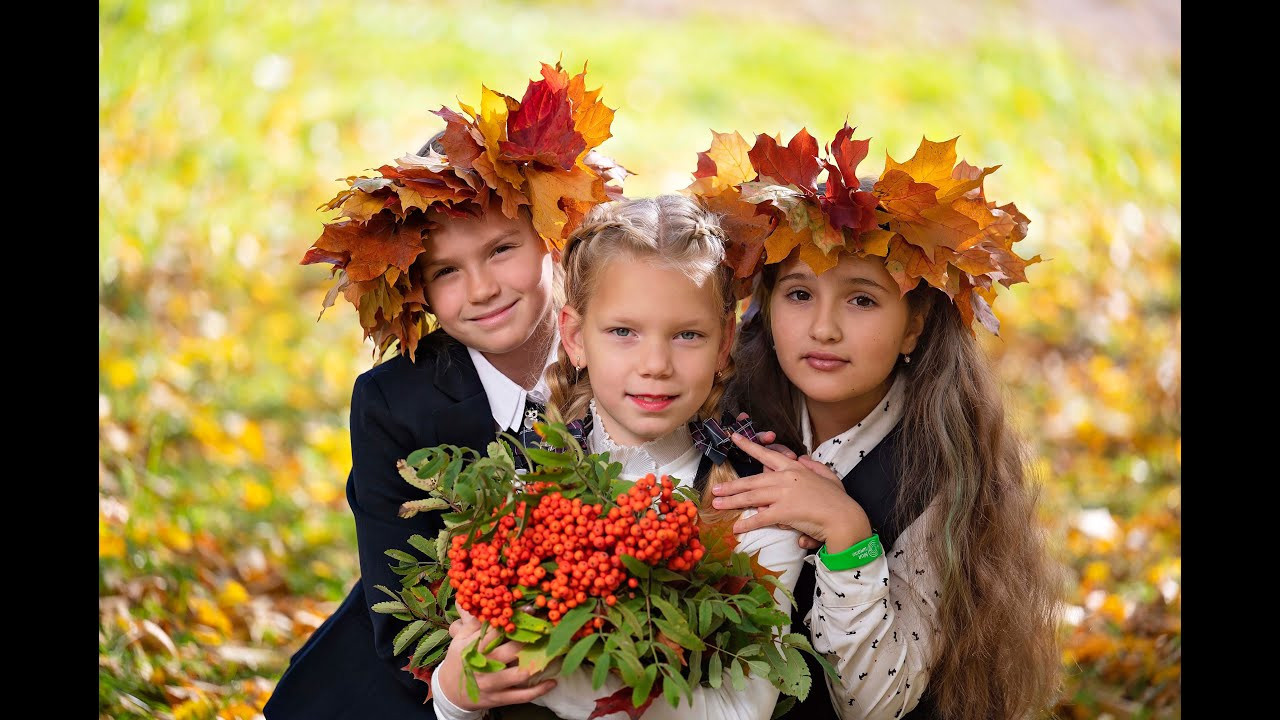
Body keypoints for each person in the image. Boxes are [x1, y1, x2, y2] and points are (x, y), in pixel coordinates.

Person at [265, 62, 626, 719]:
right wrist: (459, 681)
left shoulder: (625, 355)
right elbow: (398, 593)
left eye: (500, 251)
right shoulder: (394, 404)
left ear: (552, 237)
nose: (482, 289)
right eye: (447, 272)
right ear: (418, 289)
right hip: (431, 671)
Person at [698, 126, 1062, 720]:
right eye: (798, 294)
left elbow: (876, 705)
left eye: (861, 300)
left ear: (914, 325)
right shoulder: (727, 417)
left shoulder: (944, 465)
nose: (824, 328)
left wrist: (847, 534)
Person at [430, 195, 807, 720]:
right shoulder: (525, 484)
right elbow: (471, 681)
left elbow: (741, 709)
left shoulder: (754, 505)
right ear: (574, 338)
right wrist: (453, 692)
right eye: (623, 332)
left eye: (687, 335)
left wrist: (555, 680)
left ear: (725, 345)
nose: (655, 364)